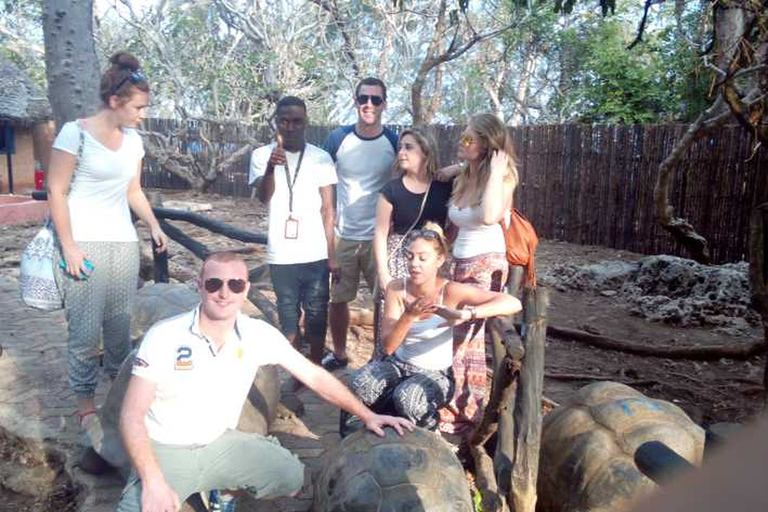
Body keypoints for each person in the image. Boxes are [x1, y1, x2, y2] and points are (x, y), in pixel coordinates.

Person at [117, 252, 412, 512]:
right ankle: (152, 480)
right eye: (214, 284)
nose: (224, 293)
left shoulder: (257, 333)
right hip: (169, 449)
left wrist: (367, 415)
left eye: (234, 285)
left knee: (291, 477)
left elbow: (314, 376)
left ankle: (223, 493)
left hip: (219, 442)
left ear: (245, 290)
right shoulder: (165, 335)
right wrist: (153, 480)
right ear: (200, 286)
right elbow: (131, 415)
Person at [47, 52, 168, 436]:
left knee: (119, 328)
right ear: (115, 102)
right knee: (85, 331)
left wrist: (153, 224)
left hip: (122, 245)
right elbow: (56, 189)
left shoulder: (134, 142)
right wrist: (68, 246)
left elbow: (132, 190)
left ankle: (119, 402)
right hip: (84, 243)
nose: (142, 114)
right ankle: (85, 405)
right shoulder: (75, 133)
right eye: (138, 107)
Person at [350, 224, 521, 431]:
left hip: (436, 374)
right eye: (410, 257)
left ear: (439, 261)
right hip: (398, 364)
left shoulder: (450, 291)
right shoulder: (397, 288)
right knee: (360, 384)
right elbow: (388, 347)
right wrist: (409, 316)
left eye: (423, 258)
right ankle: (358, 436)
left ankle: (429, 436)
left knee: (409, 398)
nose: (415, 264)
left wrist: (466, 314)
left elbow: (512, 302)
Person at [439, 113, 519, 436]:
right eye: (463, 136)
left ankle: (466, 413)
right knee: (456, 338)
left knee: (467, 339)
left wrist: (496, 170)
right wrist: (461, 167)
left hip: (486, 263)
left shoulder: (503, 177)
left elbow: (488, 216)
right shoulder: (465, 174)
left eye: (470, 139)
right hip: (460, 264)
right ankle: (456, 406)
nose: (462, 142)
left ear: (487, 146)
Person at [249, 96, 337, 364]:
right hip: (281, 252)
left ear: (306, 123)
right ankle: (296, 367)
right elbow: (264, 197)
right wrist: (270, 169)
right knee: (287, 312)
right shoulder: (261, 155)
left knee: (317, 313)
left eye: (296, 121)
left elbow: (328, 209)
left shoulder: (321, 158)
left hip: (315, 251)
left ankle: (315, 365)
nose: (290, 127)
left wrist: (332, 256)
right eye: (284, 121)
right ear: (276, 122)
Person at [322, 77, 398, 371]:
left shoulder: (392, 142)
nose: (369, 104)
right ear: (355, 102)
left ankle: (380, 356)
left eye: (375, 99)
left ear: (384, 104)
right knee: (338, 299)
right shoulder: (337, 139)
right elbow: (321, 184)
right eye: (363, 98)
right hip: (343, 234)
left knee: (383, 299)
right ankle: (340, 354)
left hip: (378, 236)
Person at [372, 127, 452, 354]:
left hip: (432, 260)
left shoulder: (444, 186)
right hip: (400, 259)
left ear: (425, 151)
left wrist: (456, 168)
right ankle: (385, 364)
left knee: (429, 315)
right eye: (400, 147)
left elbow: (475, 169)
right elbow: (379, 234)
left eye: (409, 147)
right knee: (393, 319)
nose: (401, 153)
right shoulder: (392, 189)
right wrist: (384, 274)